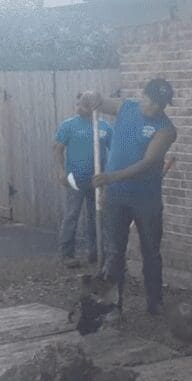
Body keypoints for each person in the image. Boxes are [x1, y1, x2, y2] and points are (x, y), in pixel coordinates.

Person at [80, 78, 177, 317]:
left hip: (147, 200)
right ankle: (112, 305)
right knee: (114, 252)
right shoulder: (127, 108)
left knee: (151, 252)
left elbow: (147, 163)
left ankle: (155, 303)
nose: (156, 108)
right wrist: (90, 95)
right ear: (143, 96)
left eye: (162, 104)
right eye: (153, 102)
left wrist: (111, 177)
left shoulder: (166, 129)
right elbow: (100, 102)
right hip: (117, 198)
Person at [55, 93, 112, 268]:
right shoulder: (69, 125)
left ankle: (95, 253)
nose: (79, 108)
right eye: (77, 104)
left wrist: (109, 177)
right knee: (72, 215)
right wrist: (61, 172)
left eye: (83, 105)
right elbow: (57, 149)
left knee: (96, 216)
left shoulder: (104, 127)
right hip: (75, 180)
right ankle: (67, 254)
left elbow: (115, 151)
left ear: (92, 107)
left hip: (96, 180)